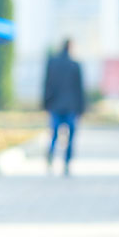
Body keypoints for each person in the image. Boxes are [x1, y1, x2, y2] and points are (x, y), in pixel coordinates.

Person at [42, 39, 86, 174]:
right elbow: (80, 88)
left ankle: (50, 154)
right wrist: (82, 108)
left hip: (55, 105)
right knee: (71, 135)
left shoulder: (52, 63)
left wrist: (45, 103)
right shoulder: (75, 65)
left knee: (54, 133)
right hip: (71, 107)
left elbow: (47, 84)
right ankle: (66, 162)